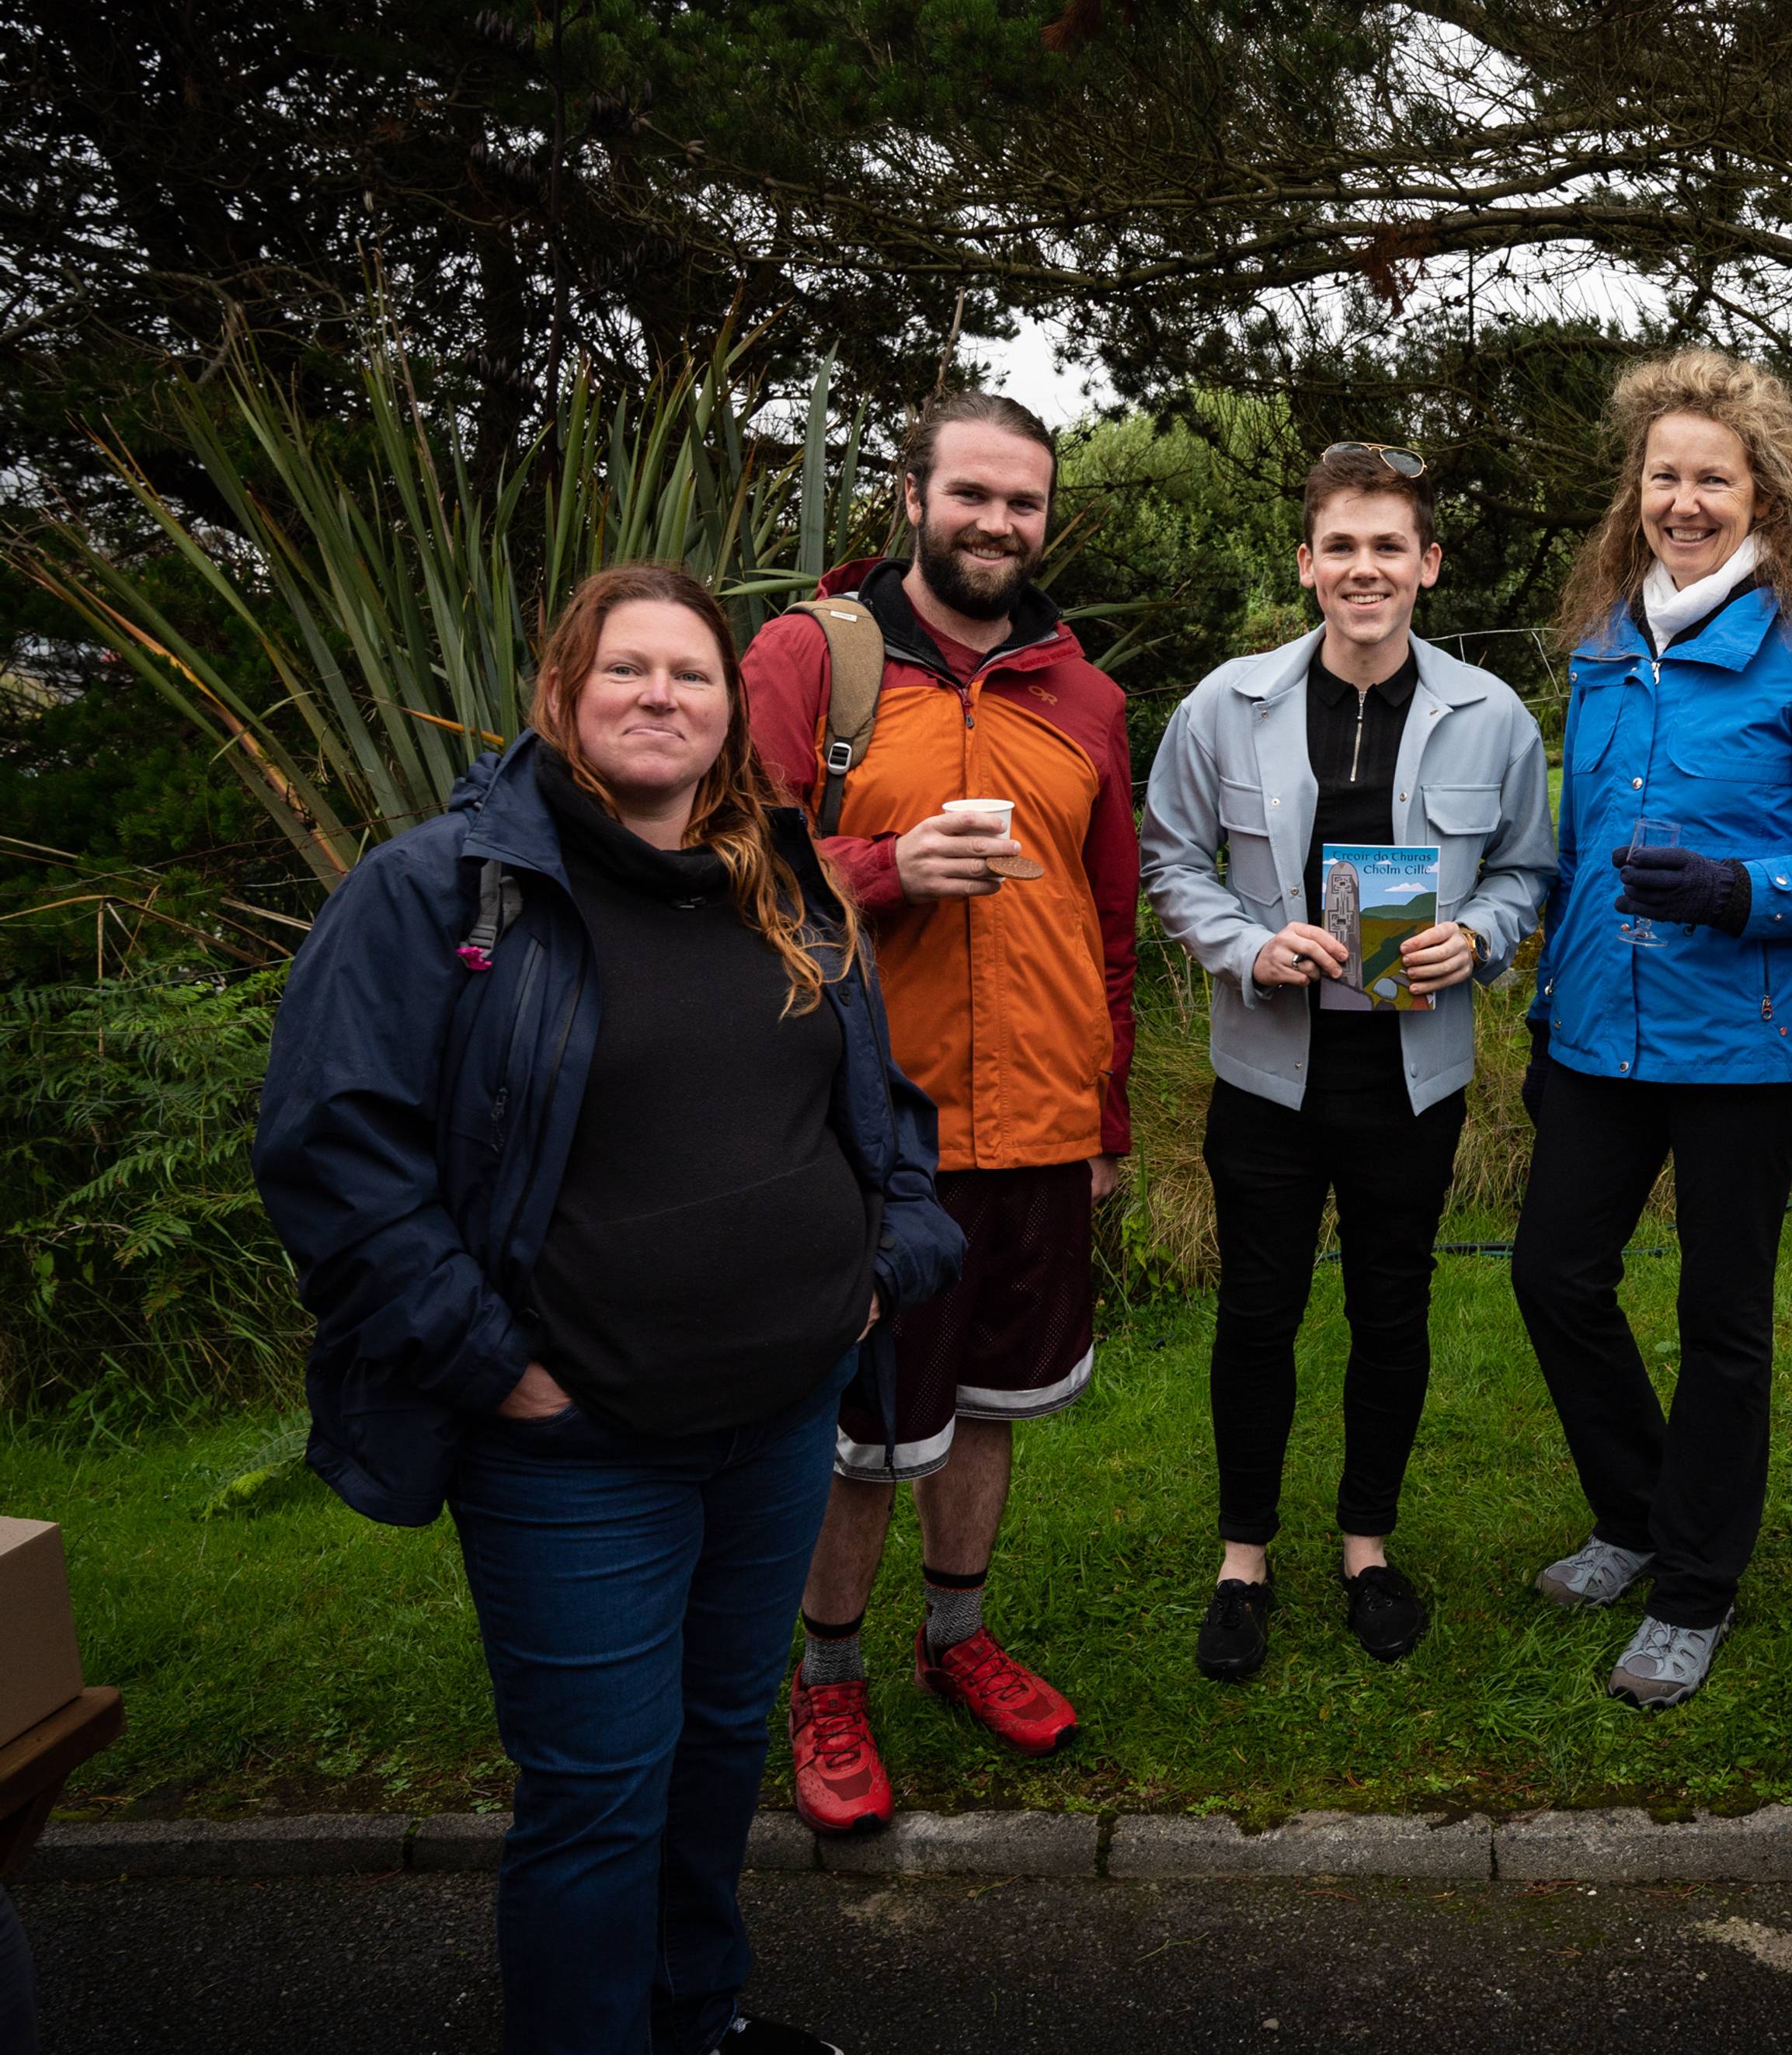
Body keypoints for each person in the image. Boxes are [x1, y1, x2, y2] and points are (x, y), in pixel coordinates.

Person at [254, 564, 961, 2055]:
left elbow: (881, 1105)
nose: (660, 696)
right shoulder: (444, 891)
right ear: (562, 694)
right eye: (626, 669)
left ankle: (696, 2018)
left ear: (730, 712)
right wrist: (493, 1363)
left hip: (777, 1426)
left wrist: (881, 1269)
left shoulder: (783, 880)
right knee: (597, 1792)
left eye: (692, 674)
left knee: (716, 1755)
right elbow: (334, 1152)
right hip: (574, 1450)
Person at [741, 389, 1139, 1833]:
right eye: (971, 492)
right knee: (862, 1431)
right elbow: (728, 863)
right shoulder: (815, 657)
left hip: (1038, 1126)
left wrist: (1105, 1121)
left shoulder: (1084, 697)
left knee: (990, 1403)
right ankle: (828, 1679)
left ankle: (956, 1635)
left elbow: (1110, 925)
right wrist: (890, 867)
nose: (996, 522)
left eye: (1023, 501)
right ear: (911, 496)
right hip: (871, 1133)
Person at [1513, 347, 1792, 1708]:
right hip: (1599, 1029)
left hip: (1745, 1040)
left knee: (1720, 1316)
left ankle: (1695, 1584)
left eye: (1712, 480)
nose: (1684, 502)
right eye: (1663, 477)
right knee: (1554, 1275)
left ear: (1763, 496)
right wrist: (1546, 1010)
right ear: (1636, 492)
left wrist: (1743, 890)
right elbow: (1577, 851)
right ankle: (1637, 1510)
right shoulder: (1605, 650)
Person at [1141, 440, 1555, 1679]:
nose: (1363, 568)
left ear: (1428, 564)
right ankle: (1243, 1559)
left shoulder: (1492, 716)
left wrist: (1476, 938)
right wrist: (1247, 946)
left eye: (1388, 546)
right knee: (1257, 1312)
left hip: (1411, 1077)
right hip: (1268, 1072)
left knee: (1392, 1307)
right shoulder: (1226, 706)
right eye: (1341, 546)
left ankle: (1367, 1545)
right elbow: (1170, 858)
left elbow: (1528, 870)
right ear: (1306, 563)